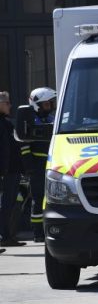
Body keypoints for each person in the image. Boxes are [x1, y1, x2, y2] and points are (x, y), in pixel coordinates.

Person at [20, 87, 56, 243]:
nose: (49, 107)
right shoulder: (29, 121)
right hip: (37, 166)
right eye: (46, 104)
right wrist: (30, 166)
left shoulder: (52, 119)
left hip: (52, 164)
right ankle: (38, 233)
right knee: (38, 198)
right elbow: (24, 146)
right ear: (37, 105)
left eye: (50, 104)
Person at [0, 92, 24, 248]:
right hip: (5, 172)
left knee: (10, 204)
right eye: (7, 103)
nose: (10, 106)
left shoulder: (6, 123)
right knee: (5, 205)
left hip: (13, 171)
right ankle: (5, 236)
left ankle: (7, 235)